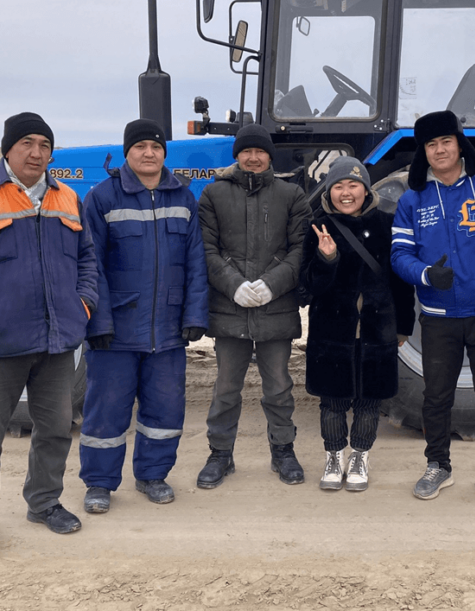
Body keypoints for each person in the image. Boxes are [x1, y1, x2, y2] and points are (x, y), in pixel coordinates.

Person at [0, 112, 97, 558]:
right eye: (27, 142)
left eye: (45, 144)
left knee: (55, 430)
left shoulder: (67, 199)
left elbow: (87, 261)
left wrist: (82, 304)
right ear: (8, 148)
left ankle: (44, 503)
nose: (37, 152)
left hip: (56, 342)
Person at [391, 109, 475, 506]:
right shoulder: (412, 201)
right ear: (424, 151)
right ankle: (438, 465)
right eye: (431, 145)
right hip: (438, 320)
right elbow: (399, 255)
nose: (439, 150)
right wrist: (425, 276)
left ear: (459, 144)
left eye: (445, 142)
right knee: (436, 396)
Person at [78, 119, 209, 513]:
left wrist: (194, 313)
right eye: (140, 147)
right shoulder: (102, 197)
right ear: (127, 153)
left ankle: (153, 475)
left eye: (155, 146)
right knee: (106, 410)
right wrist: (97, 322)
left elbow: (196, 262)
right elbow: (90, 265)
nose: (148, 153)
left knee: (165, 410)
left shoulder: (183, 198)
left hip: (167, 329)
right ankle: (99, 483)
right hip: (117, 329)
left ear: (164, 153)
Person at [195, 123, 311, 487]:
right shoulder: (213, 195)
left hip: (275, 307)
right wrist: (235, 286)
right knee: (227, 386)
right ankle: (220, 454)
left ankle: (283, 451)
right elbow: (207, 250)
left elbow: (299, 249)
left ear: (269, 156)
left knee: (278, 385)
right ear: (237, 155)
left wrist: (271, 285)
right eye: (247, 151)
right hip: (231, 310)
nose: (254, 157)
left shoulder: (292, 195)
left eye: (260, 151)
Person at [300, 157, 415, 492]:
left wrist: (403, 327)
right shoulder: (317, 226)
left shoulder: (387, 224)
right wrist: (327, 259)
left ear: (365, 189)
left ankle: (360, 456)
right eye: (338, 186)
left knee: (369, 401)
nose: (346, 193)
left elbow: (400, 284)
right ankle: (334, 456)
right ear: (329, 190)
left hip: (377, 330)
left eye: (353, 185)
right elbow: (307, 288)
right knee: (332, 401)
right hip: (331, 332)